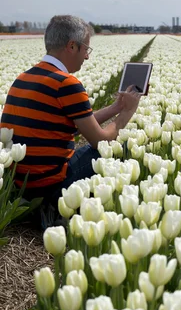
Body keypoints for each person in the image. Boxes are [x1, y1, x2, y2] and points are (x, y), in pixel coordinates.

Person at [0, 15, 142, 229]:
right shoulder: (66, 83)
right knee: (120, 149)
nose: (87, 57)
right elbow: (100, 141)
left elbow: (71, 125)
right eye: (86, 49)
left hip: (21, 185)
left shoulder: (24, 78)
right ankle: (59, 209)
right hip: (52, 184)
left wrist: (116, 108)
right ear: (72, 46)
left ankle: (42, 208)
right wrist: (126, 114)